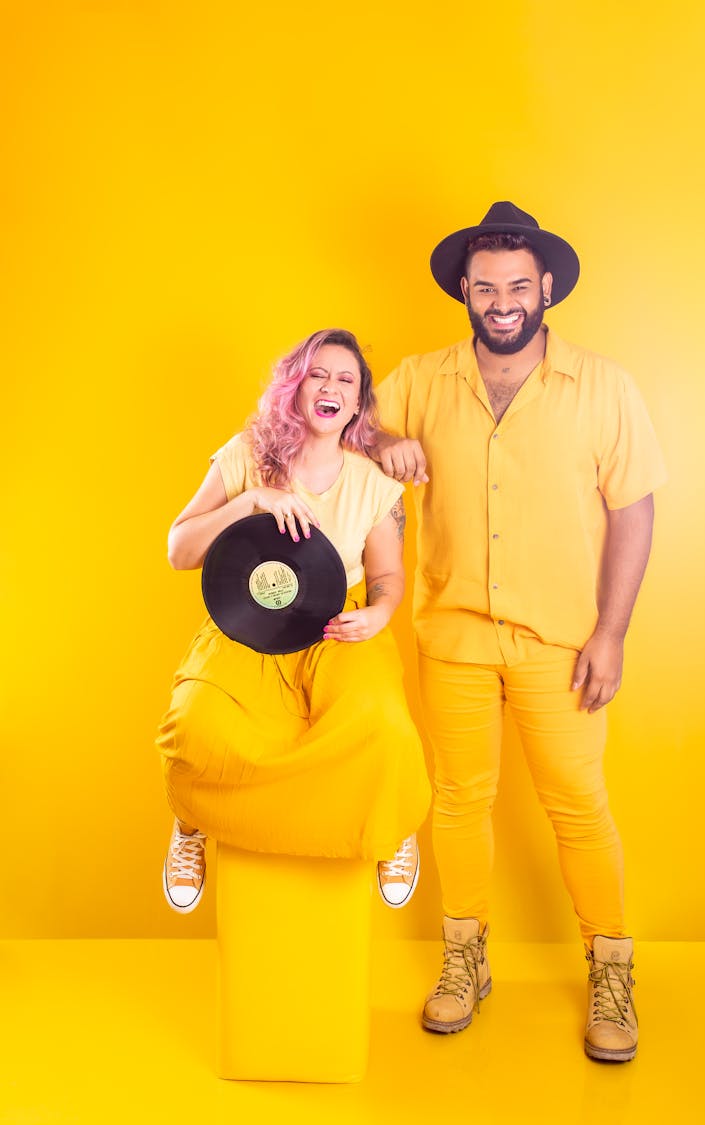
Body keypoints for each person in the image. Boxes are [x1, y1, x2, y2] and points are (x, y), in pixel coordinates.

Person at [373, 202, 667, 1061]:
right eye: (485, 285)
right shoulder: (421, 379)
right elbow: (350, 427)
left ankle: (611, 967)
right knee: (459, 800)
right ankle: (465, 960)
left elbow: (635, 513)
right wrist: (384, 439)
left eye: (517, 285)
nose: (502, 300)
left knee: (578, 805)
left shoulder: (604, 387)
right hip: (454, 632)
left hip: (562, 643)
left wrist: (612, 632)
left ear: (546, 288)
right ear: (464, 289)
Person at [156, 328, 431, 916]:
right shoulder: (245, 457)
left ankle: (393, 827)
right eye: (317, 374)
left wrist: (380, 612)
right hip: (247, 626)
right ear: (295, 387)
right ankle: (193, 824)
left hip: (339, 628)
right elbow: (179, 549)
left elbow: (387, 577)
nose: (330, 387)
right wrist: (248, 503)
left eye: (346, 380)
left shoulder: (376, 486)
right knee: (194, 725)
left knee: (383, 726)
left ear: (358, 404)